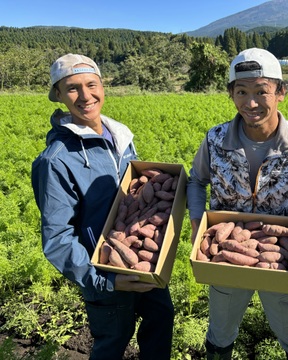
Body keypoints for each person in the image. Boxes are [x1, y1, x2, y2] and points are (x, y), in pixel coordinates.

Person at [187, 47, 288, 359]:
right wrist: (198, 222)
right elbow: (196, 181)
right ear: (231, 94)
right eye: (241, 92)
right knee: (220, 331)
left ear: (280, 92)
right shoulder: (215, 139)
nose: (250, 103)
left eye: (261, 92)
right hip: (227, 254)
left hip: (280, 257)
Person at [31, 54, 174, 360]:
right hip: (104, 270)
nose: (85, 96)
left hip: (145, 261)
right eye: (72, 88)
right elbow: (56, 238)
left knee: (161, 323)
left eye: (91, 84)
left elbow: (134, 192)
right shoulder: (55, 161)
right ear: (57, 94)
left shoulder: (119, 136)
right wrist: (104, 281)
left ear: (102, 85)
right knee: (112, 343)